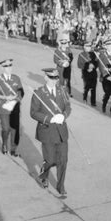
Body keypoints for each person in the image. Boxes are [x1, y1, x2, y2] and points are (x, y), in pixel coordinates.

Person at [31, 68, 71, 196]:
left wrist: (63, 116)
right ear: (46, 78)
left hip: (61, 131)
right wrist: (49, 118)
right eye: (52, 78)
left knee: (63, 160)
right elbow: (33, 112)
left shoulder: (62, 90)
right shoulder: (39, 93)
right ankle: (44, 176)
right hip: (47, 131)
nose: (55, 81)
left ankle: (61, 186)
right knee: (49, 160)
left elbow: (68, 107)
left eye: (56, 78)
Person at [0, 59, 24, 155]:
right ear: (2, 68)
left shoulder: (16, 78)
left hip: (14, 107)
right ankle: (4, 144)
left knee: (14, 129)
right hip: (3, 108)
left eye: (10, 66)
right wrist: (3, 103)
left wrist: (15, 100)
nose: (9, 68)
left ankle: (13, 149)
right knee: (6, 128)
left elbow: (21, 92)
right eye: (6, 66)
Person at [97, 39, 111, 115]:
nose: (110, 47)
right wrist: (107, 76)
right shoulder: (102, 55)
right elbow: (100, 66)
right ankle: (104, 103)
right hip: (106, 77)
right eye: (108, 45)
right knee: (108, 92)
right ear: (105, 46)